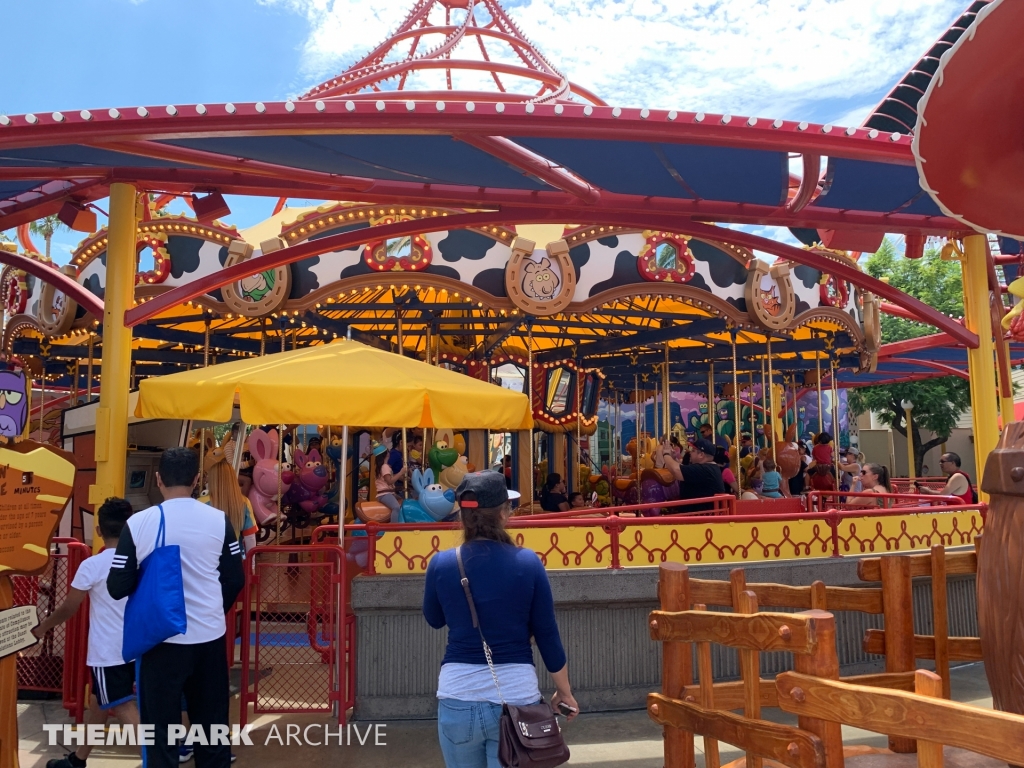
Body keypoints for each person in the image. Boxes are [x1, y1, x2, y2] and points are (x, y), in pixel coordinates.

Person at [423, 472, 578, 768]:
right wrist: (564, 691)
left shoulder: (441, 563)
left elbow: (434, 618)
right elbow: (547, 635)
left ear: (463, 516)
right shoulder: (528, 562)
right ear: (504, 513)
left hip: (458, 697)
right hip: (517, 698)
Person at [107, 448, 244, 768]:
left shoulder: (138, 523)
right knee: (211, 733)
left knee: (161, 737)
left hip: (159, 643)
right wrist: (213, 610)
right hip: (209, 640)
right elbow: (235, 578)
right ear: (196, 480)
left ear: (158, 479)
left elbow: (117, 587)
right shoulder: (219, 520)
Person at [35, 498, 140, 768]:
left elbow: (69, 607)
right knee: (99, 701)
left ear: (99, 530)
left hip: (108, 652)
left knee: (122, 705)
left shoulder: (92, 565)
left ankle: (158, 760)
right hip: (139, 645)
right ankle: (78, 759)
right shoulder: (140, 561)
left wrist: (43, 627)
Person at [660, 438, 726, 512]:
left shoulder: (705, 469)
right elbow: (685, 470)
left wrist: (666, 454)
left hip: (700, 515)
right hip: (700, 513)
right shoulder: (710, 468)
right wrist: (674, 459)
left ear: (701, 455)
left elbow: (676, 470)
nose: (690, 453)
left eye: (693, 450)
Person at [375, 445, 403, 522]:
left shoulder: (382, 466)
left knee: (403, 501)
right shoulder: (385, 466)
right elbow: (389, 481)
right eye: (388, 451)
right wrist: (401, 472)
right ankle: (393, 527)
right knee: (396, 507)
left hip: (389, 493)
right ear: (386, 454)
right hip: (385, 494)